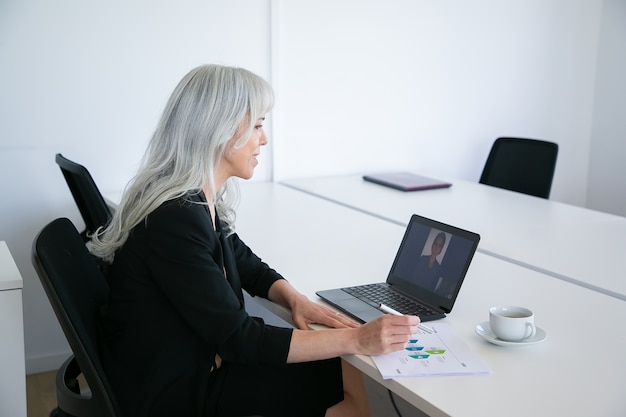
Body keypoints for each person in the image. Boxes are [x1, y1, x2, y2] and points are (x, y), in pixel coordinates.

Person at [88, 64, 419, 417]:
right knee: (342, 372)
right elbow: (240, 339)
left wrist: (293, 297)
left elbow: (240, 259)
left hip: (181, 361)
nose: (263, 139)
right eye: (258, 125)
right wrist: (356, 338)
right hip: (173, 389)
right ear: (221, 129)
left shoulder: (189, 197)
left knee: (339, 368)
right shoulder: (175, 218)